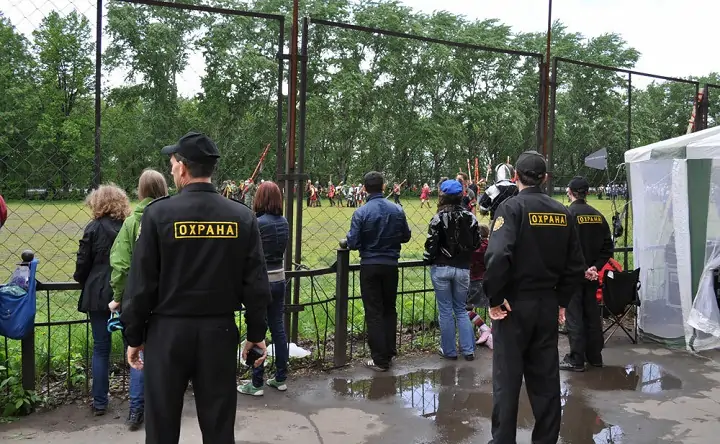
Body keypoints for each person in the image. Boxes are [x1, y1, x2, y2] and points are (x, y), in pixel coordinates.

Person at [120, 132, 271, 444]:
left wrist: (134, 337)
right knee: (219, 426)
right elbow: (256, 283)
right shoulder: (241, 216)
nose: (171, 169)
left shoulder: (158, 214)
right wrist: (256, 334)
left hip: (167, 333)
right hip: (218, 333)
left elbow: (141, 285)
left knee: (161, 427)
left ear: (183, 168)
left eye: (173, 163)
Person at [483, 150, 587, 444]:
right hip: (546, 302)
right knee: (546, 380)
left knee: (507, 379)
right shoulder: (562, 211)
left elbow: (498, 256)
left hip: (513, 304)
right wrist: (562, 300)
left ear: (515, 176)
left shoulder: (511, 208)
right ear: (545, 177)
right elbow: (575, 265)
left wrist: (495, 298)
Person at [108, 169, 168, 430]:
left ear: (140, 191)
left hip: (138, 297)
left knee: (138, 351)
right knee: (166, 355)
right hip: (167, 299)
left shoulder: (132, 223)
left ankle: (136, 410)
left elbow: (121, 265)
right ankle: (162, 409)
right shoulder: (171, 218)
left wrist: (118, 297)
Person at [73, 184, 131, 417]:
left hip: (97, 290)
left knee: (100, 347)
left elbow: (82, 261)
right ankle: (139, 400)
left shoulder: (94, 227)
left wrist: (82, 279)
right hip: (125, 290)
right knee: (133, 344)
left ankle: (99, 402)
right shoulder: (128, 226)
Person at [347, 171, 412, 372]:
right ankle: (389, 352)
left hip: (370, 264)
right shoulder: (397, 209)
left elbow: (353, 242)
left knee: (374, 311)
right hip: (391, 264)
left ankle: (379, 359)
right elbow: (406, 236)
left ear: (364, 188)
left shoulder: (361, 212)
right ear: (383, 187)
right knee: (389, 308)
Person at [239, 181, 290, 396]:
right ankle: (280, 377)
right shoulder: (284, 222)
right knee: (278, 327)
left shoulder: (257, 223)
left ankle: (257, 382)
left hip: (261, 280)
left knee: (258, 328)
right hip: (279, 278)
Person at [560, 176, 614, 372]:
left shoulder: (567, 215)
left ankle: (577, 359)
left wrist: (582, 269)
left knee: (574, 317)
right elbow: (608, 248)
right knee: (591, 315)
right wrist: (594, 268)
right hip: (592, 275)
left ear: (569, 192)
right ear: (588, 193)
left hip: (574, 275)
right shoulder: (598, 216)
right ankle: (595, 356)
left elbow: (565, 247)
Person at [424, 179, 481, 361]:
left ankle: (449, 351)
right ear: (460, 196)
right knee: (461, 309)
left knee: (446, 310)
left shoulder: (438, 218)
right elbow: (476, 243)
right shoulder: (470, 217)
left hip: (441, 267)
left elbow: (431, 244)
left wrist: (429, 258)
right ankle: (468, 350)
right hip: (462, 267)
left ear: (442, 196)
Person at [468, 224, 492, 348]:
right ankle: (494, 332)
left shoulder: (472, 248)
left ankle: (483, 327)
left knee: (465, 309)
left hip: (474, 280)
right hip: (489, 279)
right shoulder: (491, 246)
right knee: (493, 307)